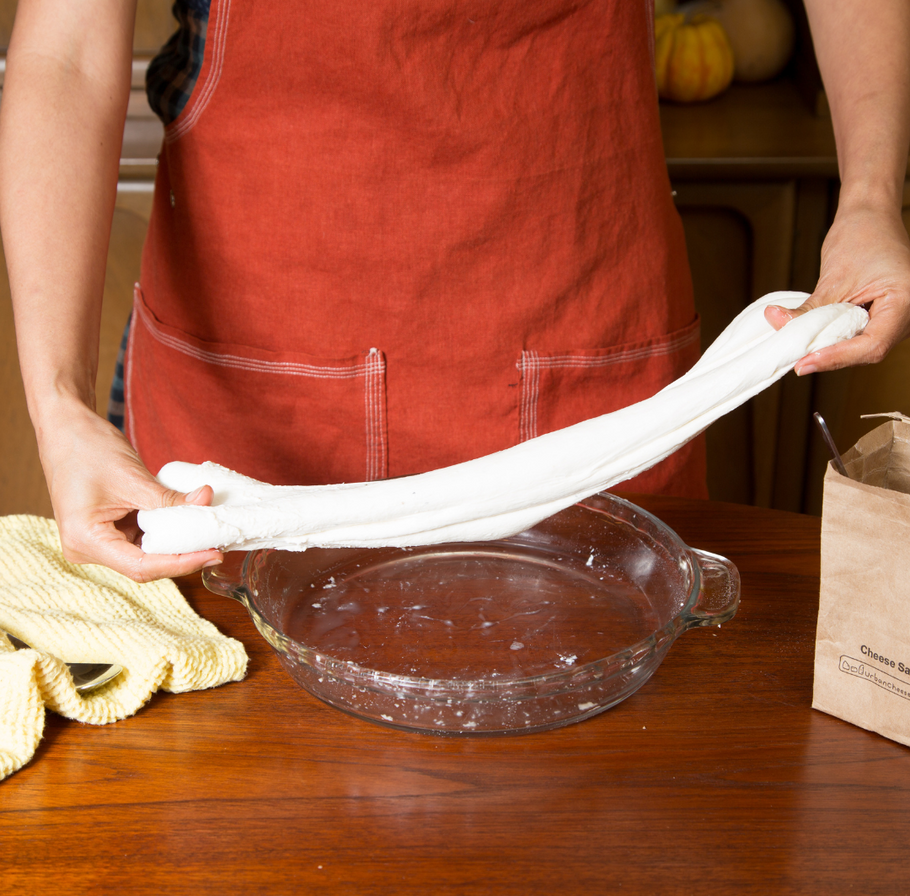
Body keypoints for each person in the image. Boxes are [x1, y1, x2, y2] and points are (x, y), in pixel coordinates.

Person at [1, 0, 908, 584]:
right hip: (252, 367)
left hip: (582, 323)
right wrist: (58, 402)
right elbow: (67, 48)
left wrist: (871, 195)